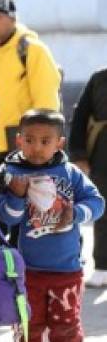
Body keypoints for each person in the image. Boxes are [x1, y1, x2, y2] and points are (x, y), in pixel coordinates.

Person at [0, 109, 104, 342]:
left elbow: (97, 202)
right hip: (28, 271)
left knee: (66, 324)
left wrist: (77, 213)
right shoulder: (11, 174)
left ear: (60, 143)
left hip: (67, 270)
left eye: (45, 141)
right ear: (18, 141)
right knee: (27, 324)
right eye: (29, 140)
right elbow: (7, 218)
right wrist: (16, 196)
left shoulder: (70, 174)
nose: (37, 147)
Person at [0, 0, 62, 161]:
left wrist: (41, 145)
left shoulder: (32, 50)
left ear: (12, 18)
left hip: (26, 146)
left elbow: (46, 103)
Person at [68, 68, 107, 287]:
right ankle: (102, 266)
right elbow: (81, 116)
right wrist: (79, 154)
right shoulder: (99, 78)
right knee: (103, 208)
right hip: (103, 152)